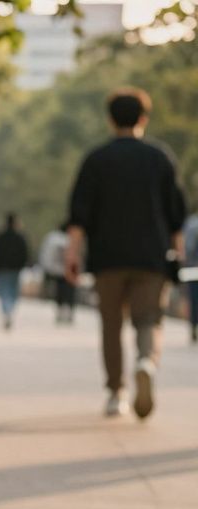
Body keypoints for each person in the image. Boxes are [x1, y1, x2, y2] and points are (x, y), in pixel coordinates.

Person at [65, 87, 187, 419]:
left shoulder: (96, 160)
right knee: (149, 319)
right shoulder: (160, 157)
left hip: (107, 258)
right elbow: (176, 215)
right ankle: (146, 361)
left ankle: (115, 392)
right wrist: (179, 254)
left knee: (111, 324)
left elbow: (79, 215)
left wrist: (72, 254)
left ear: (110, 120)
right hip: (152, 257)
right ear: (143, 118)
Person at [0, 213, 31, 331]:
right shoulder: (20, 236)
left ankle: (6, 311)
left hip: (1, 268)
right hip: (15, 269)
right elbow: (25, 253)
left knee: (3, 292)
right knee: (13, 292)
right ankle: (9, 311)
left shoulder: (0, 236)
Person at [39, 223, 76, 325]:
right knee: (69, 293)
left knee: (59, 292)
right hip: (70, 272)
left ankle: (60, 312)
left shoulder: (53, 238)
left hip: (57, 271)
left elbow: (46, 255)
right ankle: (68, 312)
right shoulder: (72, 239)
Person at [184, 211, 198, 343]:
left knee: (194, 300)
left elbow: (188, 248)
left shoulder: (192, 223)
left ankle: (194, 327)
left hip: (194, 269)